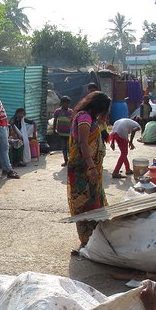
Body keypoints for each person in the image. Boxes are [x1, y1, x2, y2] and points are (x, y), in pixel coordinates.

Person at [67, 91, 111, 248]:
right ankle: (88, 242)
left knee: (94, 203)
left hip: (90, 170)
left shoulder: (89, 118)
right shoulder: (84, 118)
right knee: (85, 205)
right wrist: (91, 166)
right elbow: (83, 144)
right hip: (83, 171)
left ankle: (95, 240)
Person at [53, 96, 73, 166]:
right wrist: (54, 130)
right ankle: (66, 161)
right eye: (65, 103)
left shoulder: (71, 111)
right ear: (61, 103)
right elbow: (55, 121)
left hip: (69, 133)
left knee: (70, 148)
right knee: (64, 148)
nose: (66, 105)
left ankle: (71, 160)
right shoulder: (57, 111)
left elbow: (73, 122)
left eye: (67, 103)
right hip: (61, 133)